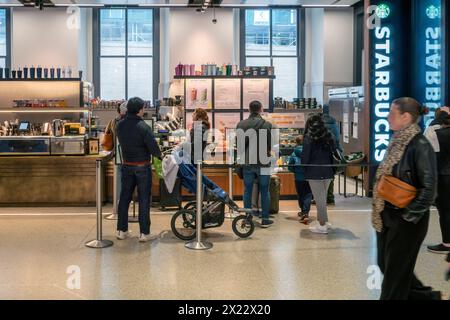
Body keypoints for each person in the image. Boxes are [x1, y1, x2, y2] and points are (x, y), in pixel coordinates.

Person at [372, 97, 439, 300]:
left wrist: (408, 217)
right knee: (388, 266)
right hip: (386, 214)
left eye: (392, 113)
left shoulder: (419, 145)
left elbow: (429, 189)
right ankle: (427, 297)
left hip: (406, 219)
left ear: (406, 117)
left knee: (394, 277)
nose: (387, 117)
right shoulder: (398, 140)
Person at [116, 97, 162, 242]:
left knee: (124, 198)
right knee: (143, 200)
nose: (144, 110)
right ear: (139, 110)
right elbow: (154, 148)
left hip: (126, 166)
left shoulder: (120, 125)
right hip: (142, 167)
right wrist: (160, 156)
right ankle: (144, 233)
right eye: (143, 108)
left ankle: (121, 231)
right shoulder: (143, 126)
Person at [236, 100, 274, 228]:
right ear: (261, 109)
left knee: (247, 190)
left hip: (247, 162)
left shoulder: (241, 124)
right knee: (264, 190)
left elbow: (239, 146)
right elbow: (270, 143)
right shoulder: (267, 124)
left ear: (249, 109)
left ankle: (247, 219)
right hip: (263, 162)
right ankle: (265, 219)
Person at [301, 114, 336, 234]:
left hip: (314, 172)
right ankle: (325, 222)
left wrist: (304, 169)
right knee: (322, 198)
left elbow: (305, 157)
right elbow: (333, 152)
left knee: (319, 199)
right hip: (328, 171)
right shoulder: (329, 135)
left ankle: (322, 225)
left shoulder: (308, 138)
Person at [427, 113, 450, 254]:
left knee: (445, 211)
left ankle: (447, 243)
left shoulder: (439, 135)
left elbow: (427, 137)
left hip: (444, 177)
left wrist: (437, 118)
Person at [288, 135, 312, 224]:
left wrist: (295, 171)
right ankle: (305, 212)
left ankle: (303, 212)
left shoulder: (294, 153)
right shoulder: (309, 152)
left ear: (297, 142)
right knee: (308, 194)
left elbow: (290, 167)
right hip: (309, 177)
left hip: (298, 178)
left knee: (301, 194)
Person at [322, 104, 342, 205]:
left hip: (323, 153)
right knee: (330, 176)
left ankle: (323, 197)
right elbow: (337, 139)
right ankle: (330, 197)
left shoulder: (321, 122)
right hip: (333, 152)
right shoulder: (334, 122)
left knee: (322, 177)